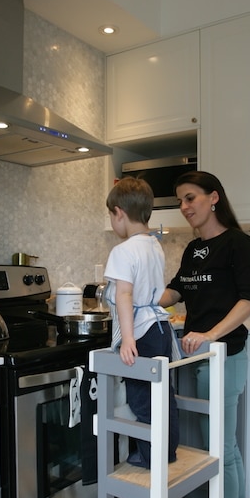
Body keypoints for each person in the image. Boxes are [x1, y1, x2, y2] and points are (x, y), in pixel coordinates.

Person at [160, 170, 250, 498]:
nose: (184, 207)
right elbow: (177, 291)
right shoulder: (193, 249)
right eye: (180, 201)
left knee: (222, 447)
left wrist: (210, 334)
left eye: (190, 198)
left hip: (224, 356)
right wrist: (138, 300)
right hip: (196, 354)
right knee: (208, 444)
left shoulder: (237, 243)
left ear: (213, 197)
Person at [104, 177, 180, 467]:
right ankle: (167, 452)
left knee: (142, 400)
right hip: (160, 327)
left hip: (141, 332)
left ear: (119, 212)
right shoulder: (154, 245)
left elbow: (124, 294)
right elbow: (156, 293)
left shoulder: (122, 251)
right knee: (163, 396)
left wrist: (128, 340)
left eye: (111, 216)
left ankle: (150, 457)